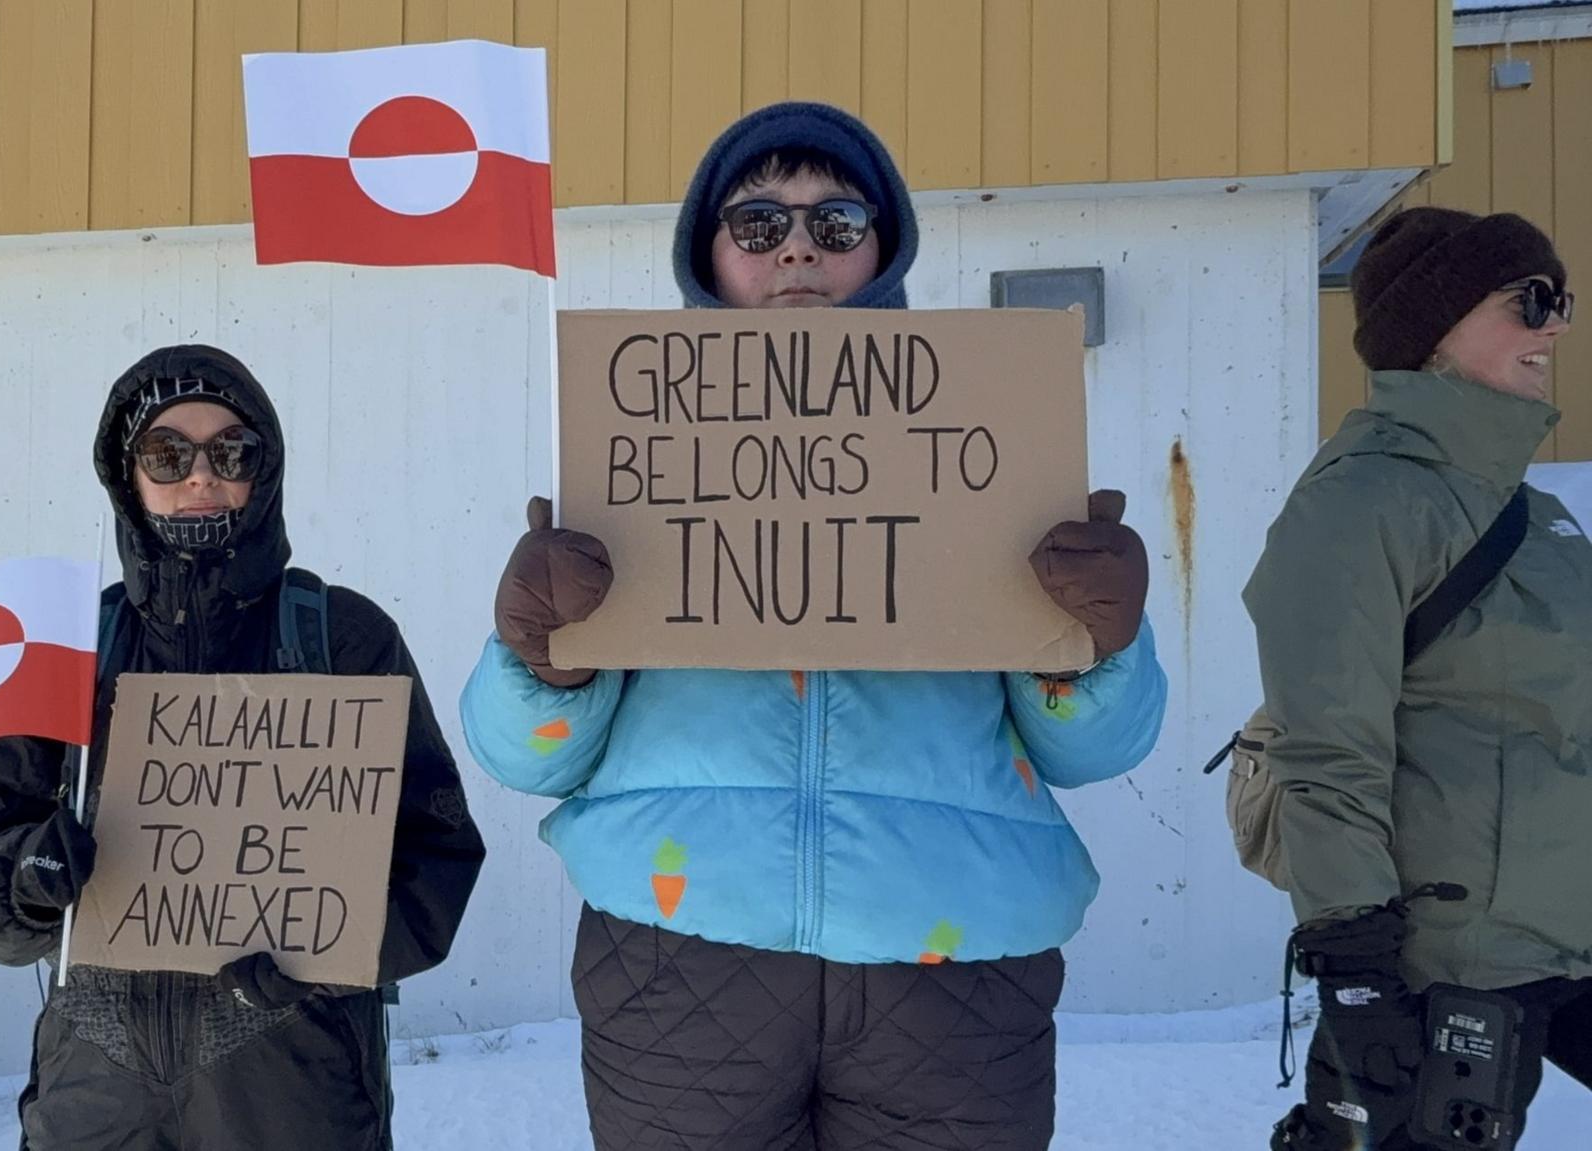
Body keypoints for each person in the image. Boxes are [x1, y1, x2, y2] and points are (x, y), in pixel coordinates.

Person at [460, 101, 1169, 1151]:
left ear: (882, 249)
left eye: (835, 223)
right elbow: (525, 759)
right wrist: (535, 657)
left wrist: (1101, 643)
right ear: (706, 253)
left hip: (955, 965)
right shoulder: (631, 458)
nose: (795, 244)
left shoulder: (987, 441)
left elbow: (1089, 745)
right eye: (756, 223)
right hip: (680, 958)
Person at [0, 344, 487, 1150]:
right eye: (167, 452)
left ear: (264, 468)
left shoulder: (341, 637)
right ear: (129, 474)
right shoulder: (74, 649)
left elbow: (436, 852)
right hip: (96, 1091)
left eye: (230, 451)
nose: (200, 476)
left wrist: (331, 953)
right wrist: (23, 882)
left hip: (292, 1083)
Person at [1249, 207, 1589, 1150]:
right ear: (1438, 328)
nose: (1556, 324)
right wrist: (1357, 975)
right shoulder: (1361, 502)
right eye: (1533, 300)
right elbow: (1325, 751)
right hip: (1453, 960)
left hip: (1568, 928)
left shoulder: (1537, 511)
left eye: (1560, 300)